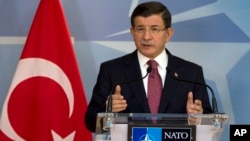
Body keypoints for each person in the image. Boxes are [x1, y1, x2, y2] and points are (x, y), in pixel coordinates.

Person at [85, 1, 212, 132]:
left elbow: (209, 122)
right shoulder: (112, 70)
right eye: (140, 29)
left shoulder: (191, 73)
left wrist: (199, 118)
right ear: (132, 33)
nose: (146, 36)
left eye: (154, 29)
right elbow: (90, 122)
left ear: (168, 34)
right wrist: (107, 110)